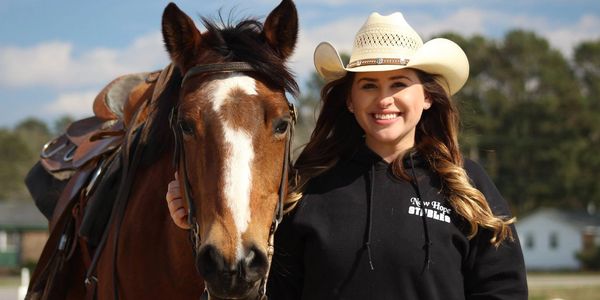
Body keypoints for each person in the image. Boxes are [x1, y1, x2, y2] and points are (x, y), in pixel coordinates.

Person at [165, 11, 528, 299]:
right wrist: (198, 216)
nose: (384, 99)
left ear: (428, 96)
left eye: (399, 83)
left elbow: (503, 290)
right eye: (369, 85)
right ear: (351, 102)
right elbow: (258, 289)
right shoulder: (306, 189)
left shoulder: (467, 184)